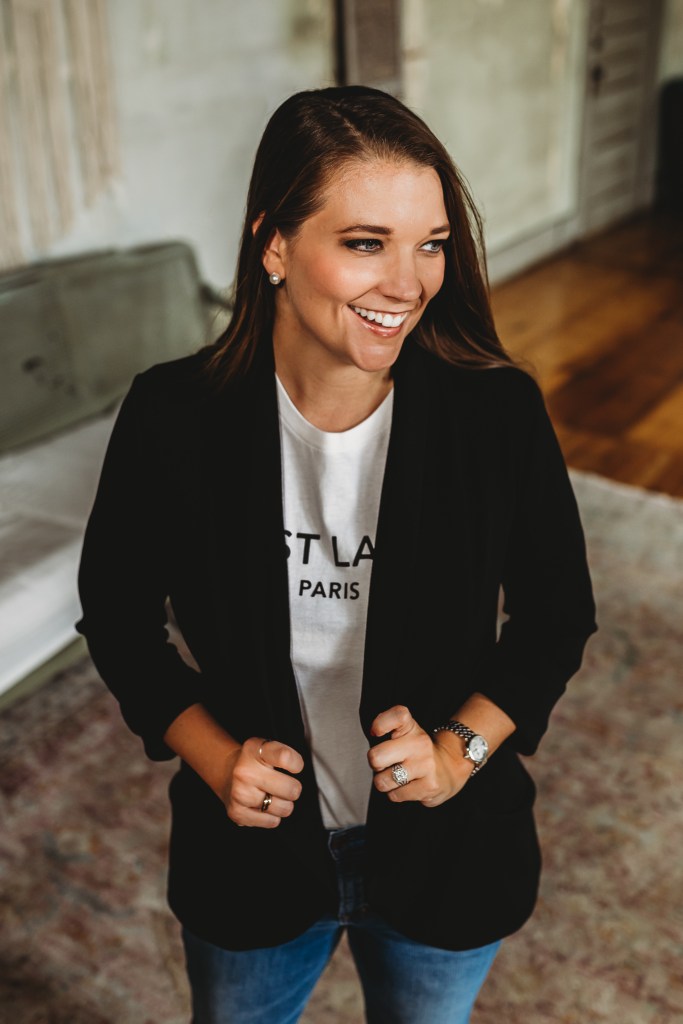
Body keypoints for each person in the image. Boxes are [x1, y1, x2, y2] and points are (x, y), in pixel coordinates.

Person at [76, 85, 597, 1024]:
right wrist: (214, 757)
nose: (407, 283)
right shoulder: (171, 416)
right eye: (365, 243)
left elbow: (555, 616)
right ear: (273, 244)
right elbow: (117, 618)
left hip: (448, 853)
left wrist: (458, 753)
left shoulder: (495, 414)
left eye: (430, 244)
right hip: (250, 861)